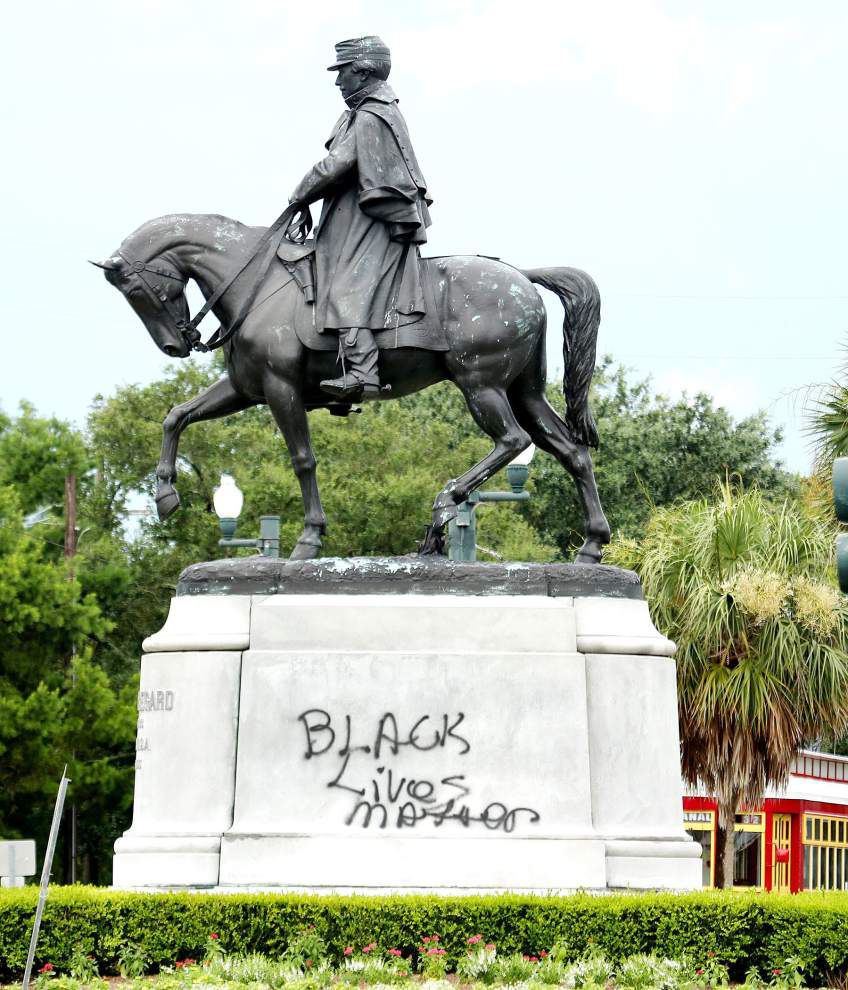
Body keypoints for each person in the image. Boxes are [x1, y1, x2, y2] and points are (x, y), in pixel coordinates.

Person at [288, 36, 432, 401]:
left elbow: (336, 166)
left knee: (346, 289)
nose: (338, 82)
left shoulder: (371, 115)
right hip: (354, 221)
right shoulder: (367, 111)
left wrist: (297, 196)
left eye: (343, 73)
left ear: (363, 72)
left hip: (371, 225)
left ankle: (362, 373)